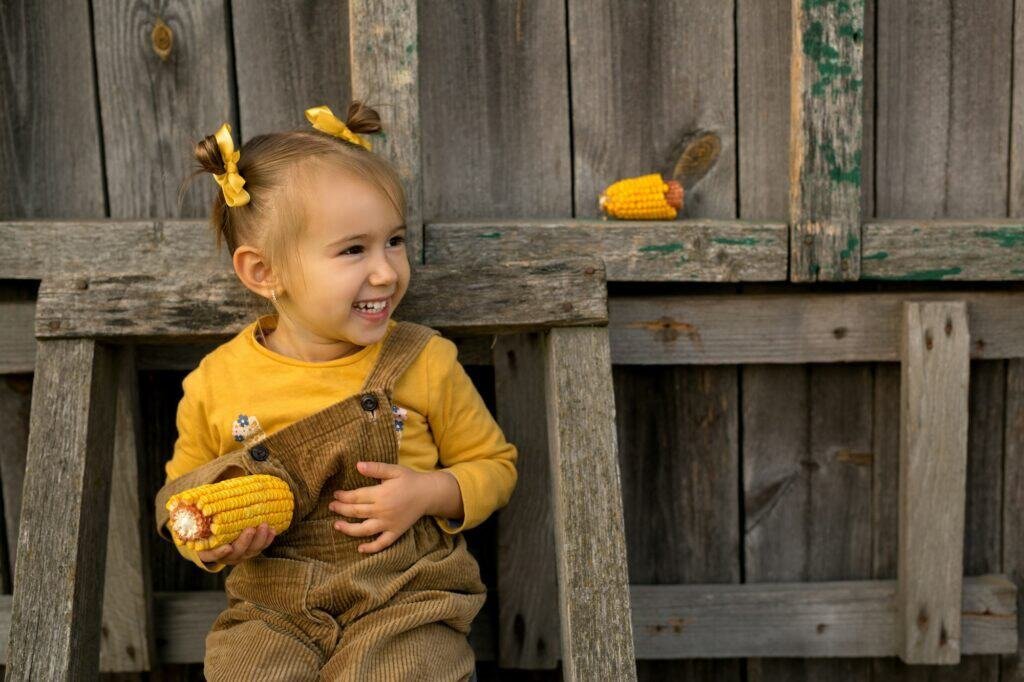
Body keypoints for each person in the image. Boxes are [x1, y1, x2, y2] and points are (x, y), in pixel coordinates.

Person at [153, 101, 517, 681]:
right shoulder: (217, 381)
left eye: (393, 241)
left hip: (405, 599)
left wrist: (429, 492)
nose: (386, 272)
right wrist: (209, 543)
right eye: (354, 250)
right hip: (271, 611)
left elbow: (494, 466)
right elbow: (179, 499)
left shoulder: (422, 360)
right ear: (263, 273)